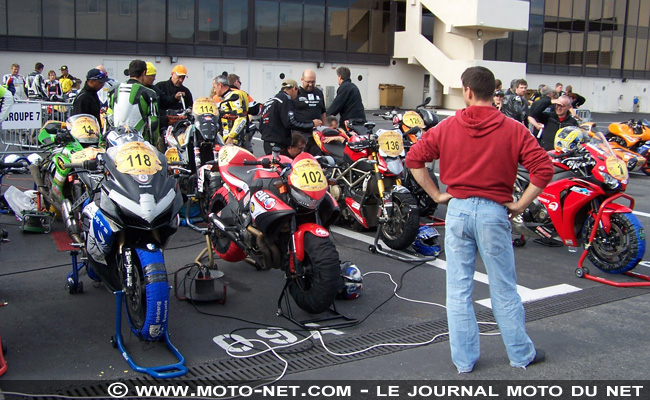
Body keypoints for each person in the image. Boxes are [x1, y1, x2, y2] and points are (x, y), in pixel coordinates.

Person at [405, 66, 553, 374]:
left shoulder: (447, 126)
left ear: (468, 92)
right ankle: (520, 354)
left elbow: (414, 159)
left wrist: (435, 195)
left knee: (458, 290)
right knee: (504, 288)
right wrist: (519, 205)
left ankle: (464, 361)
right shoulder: (514, 129)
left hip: (457, 211)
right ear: (494, 92)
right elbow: (543, 169)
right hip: (494, 213)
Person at [260, 79, 321, 155]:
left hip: (267, 143)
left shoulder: (269, 101)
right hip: (279, 143)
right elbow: (291, 122)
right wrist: (312, 124)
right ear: (293, 89)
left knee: (272, 165)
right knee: (286, 165)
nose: (296, 96)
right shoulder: (286, 99)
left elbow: (261, 126)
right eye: (297, 93)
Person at [109, 59, 160, 147]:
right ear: (144, 73)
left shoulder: (114, 91)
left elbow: (109, 116)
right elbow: (153, 122)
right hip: (138, 142)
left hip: (116, 143)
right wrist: (153, 144)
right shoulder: (149, 93)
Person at [294, 69, 327, 156]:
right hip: (300, 134)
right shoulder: (296, 93)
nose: (310, 84)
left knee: (317, 158)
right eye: (308, 82)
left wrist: (325, 130)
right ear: (302, 80)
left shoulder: (319, 92)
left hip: (316, 134)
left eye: (313, 82)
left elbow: (323, 112)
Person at [212, 75, 250, 147]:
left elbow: (241, 119)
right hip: (226, 140)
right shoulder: (226, 97)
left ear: (220, 85)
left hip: (233, 142)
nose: (214, 90)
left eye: (214, 87)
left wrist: (231, 137)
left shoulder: (233, 97)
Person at [155, 64, 193, 132]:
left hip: (180, 127)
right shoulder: (160, 86)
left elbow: (190, 108)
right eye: (179, 77)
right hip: (163, 125)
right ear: (172, 74)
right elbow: (160, 104)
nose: (181, 80)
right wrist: (175, 98)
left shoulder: (186, 91)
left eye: (183, 78)